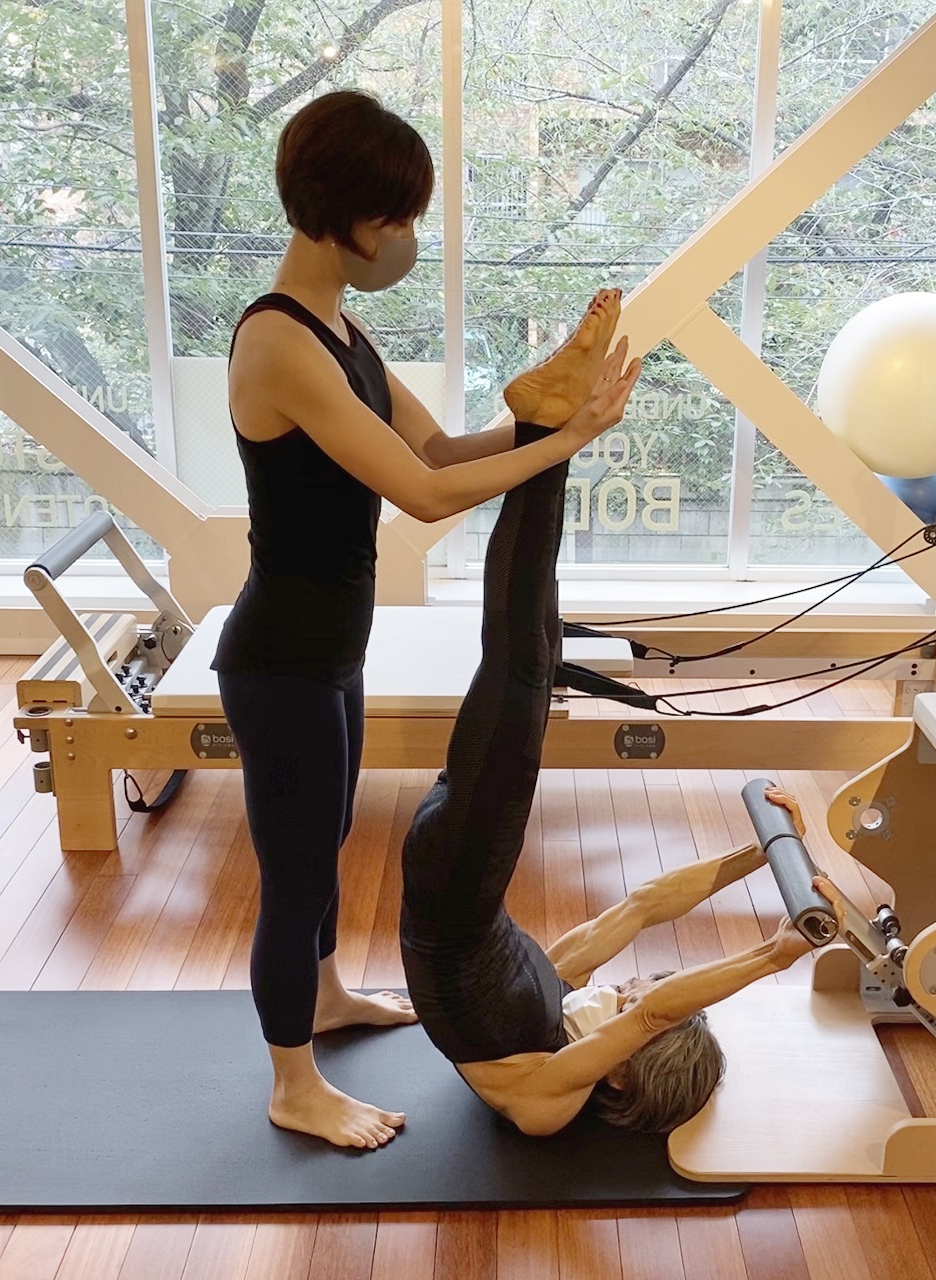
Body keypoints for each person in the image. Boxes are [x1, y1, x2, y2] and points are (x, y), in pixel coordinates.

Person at [215, 88, 639, 1151]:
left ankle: (323, 998)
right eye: (395, 216)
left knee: (322, 840)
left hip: (328, 650)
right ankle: (292, 1083)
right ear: (339, 212)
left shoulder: (339, 330)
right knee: (296, 872)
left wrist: (537, 421)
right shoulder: (278, 344)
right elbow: (426, 495)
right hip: (278, 660)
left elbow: (443, 448)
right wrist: (566, 443)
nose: (406, 236)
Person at [399, 322, 836, 1136]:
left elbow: (650, 1016)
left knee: (522, 663)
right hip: (454, 866)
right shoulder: (555, 1000)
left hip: (459, 878)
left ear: (623, 1072)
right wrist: (763, 852)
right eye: (635, 990)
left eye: (634, 1001)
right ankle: (544, 433)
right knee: (534, 652)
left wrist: (775, 955)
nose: (627, 991)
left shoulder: (544, 1097)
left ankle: (544, 431)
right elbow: (639, 907)